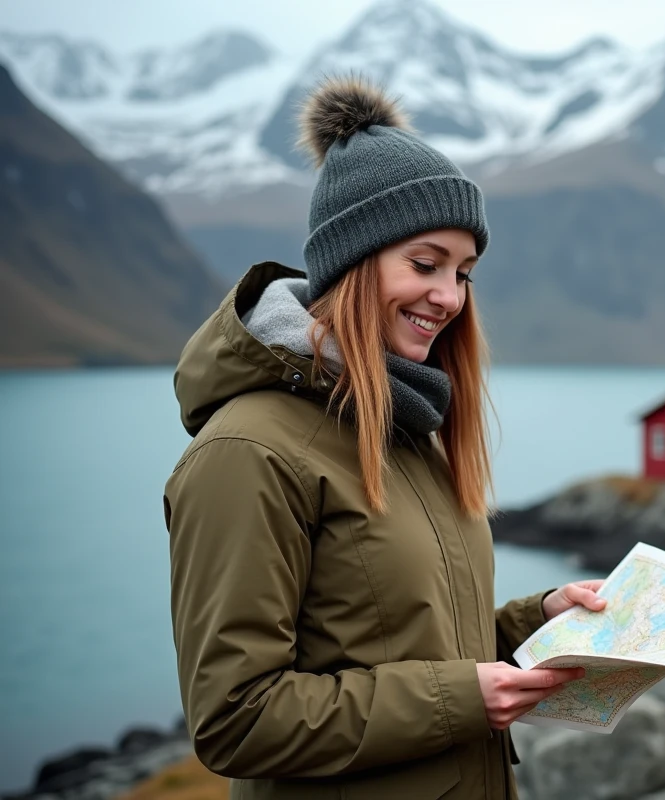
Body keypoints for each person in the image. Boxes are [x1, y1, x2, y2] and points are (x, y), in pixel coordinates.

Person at [163, 76, 605, 800]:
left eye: (463, 273)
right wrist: (462, 700)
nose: (450, 297)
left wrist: (537, 622)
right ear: (351, 262)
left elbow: (406, 644)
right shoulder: (246, 453)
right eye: (425, 264)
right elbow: (235, 719)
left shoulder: (406, 431)